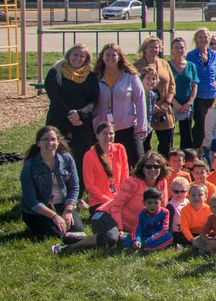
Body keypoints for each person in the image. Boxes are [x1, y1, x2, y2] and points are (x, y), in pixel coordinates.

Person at [44, 44, 100, 187]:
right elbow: (54, 97)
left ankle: (78, 190)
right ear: (69, 55)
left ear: (86, 59)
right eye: (75, 54)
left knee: (81, 156)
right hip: (59, 119)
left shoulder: (91, 76)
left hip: (82, 123)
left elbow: (94, 100)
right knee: (58, 154)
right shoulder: (55, 72)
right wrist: (70, 114)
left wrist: (80, 114)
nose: (78, 58)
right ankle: (56, 188)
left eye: (82, 56)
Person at [21, 126, 84, 242]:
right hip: (38, 212)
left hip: (62, 205)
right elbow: (30, 200)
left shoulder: (67, 159)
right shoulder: (30, 166)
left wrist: (68, 210)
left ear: (58, 142)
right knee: (60, 233)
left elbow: (74, 187)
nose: (50, 143)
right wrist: (54, 216)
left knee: (77, 230)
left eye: (53, 139)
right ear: (38, 143)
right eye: (45, 140)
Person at [92, 43, 149, 166]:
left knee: (135, 163)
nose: (110, 57)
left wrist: (141, 126)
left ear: (119, 57)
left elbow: (140, 101)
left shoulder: (130, 76)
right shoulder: (96, 78)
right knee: (108, 164)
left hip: (127, 127)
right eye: (107, 54)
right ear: (102, 57)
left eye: (114, 54)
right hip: (104, 129)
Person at [187, 28, 216, 150]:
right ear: (196, 39)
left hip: (213, 95)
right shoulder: (191, 55)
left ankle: (209, 147)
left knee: (213, 122)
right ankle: (195, 148)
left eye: (205, 37)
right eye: (200, 37)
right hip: (199, 96)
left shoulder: (214, 55)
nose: (203, 39)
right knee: (200, 123)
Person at [134, 37, 176, 153]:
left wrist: (167, 102)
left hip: (164, 109)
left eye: (156, 47)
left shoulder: (164, 64)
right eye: (150, 47)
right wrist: (149, 105)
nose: (154, 49)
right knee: (144, 146)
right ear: (145, 49)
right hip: (145, 110)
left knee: (166, 145)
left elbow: (172, 85)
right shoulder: (137, 66)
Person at [83, 122, 130, 209]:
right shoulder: (89, 155)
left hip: (119, 199)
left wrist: (120, 197)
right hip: (99, 202)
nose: (108, 136)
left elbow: (125, 175)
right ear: (97, 136)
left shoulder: (120, 149)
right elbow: (89, 185)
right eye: (104, 133)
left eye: (111, 133)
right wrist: (108, 201)